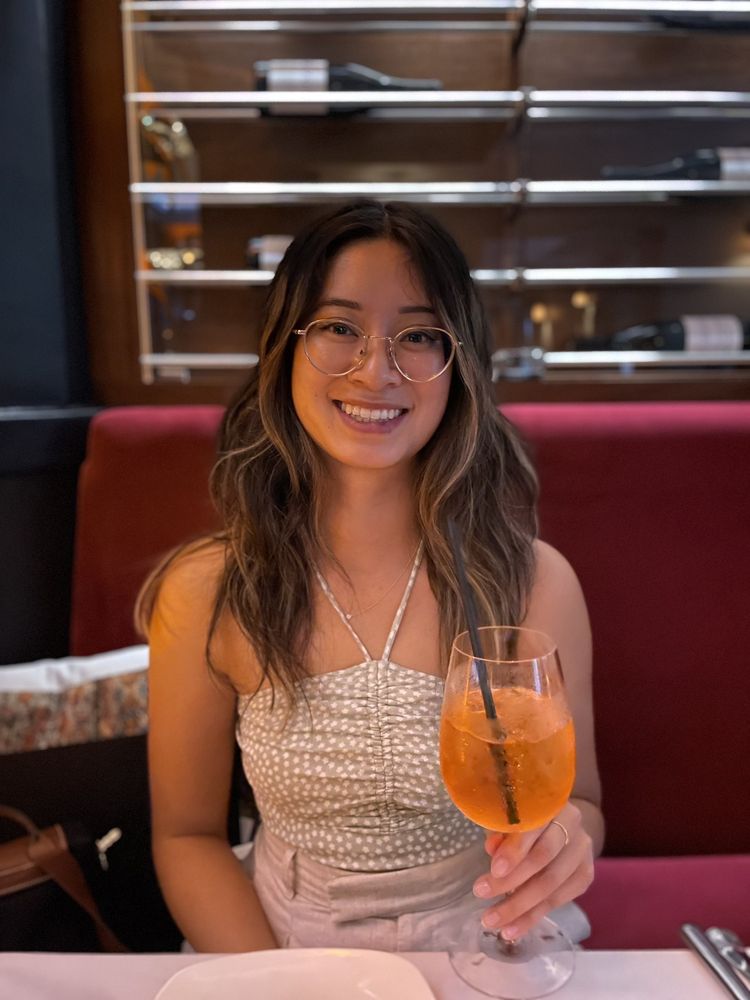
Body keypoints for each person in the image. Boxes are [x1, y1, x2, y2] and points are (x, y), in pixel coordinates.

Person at [138, 199, 604, 953]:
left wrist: (567, 842)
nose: (376, 369)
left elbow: (579, 804)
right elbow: (186, 835)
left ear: (459, 365)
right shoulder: (204, 590)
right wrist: (279, 985)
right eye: (338, 327)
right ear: (285, 348)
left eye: (418, 336)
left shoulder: (535, 582)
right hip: (278, 950)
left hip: (491, 941)